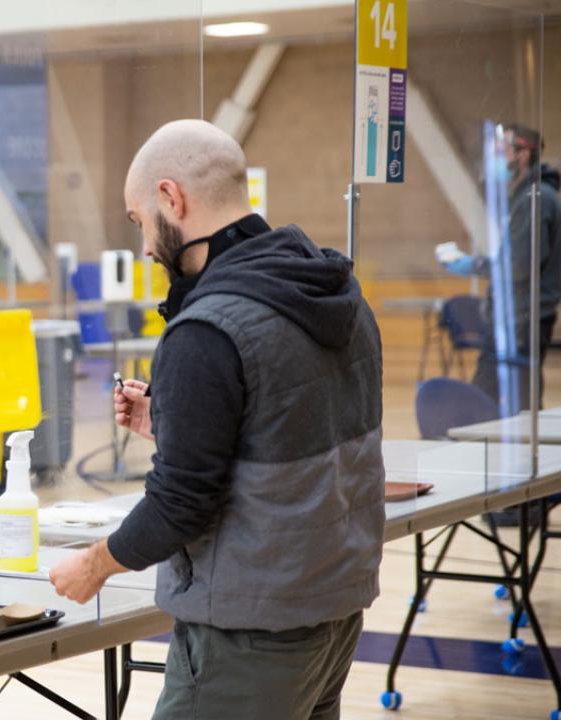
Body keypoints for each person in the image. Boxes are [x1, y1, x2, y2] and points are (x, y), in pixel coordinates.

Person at [48, 120, 385, 719]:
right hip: (334, 616)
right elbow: (291, 421)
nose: (146, 247)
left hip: (250, 634)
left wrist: (93, 565)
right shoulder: (337, 295)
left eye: (140, 221)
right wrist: (175, 422)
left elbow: (180, 503)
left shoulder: (208, 329)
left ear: (171, 198)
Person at [440, 125, 561, 414]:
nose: (495, 157)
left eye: (501, 149)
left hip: (521, 318)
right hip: (517, 316)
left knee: (493, 400)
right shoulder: (529, 196)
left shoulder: (536, 198)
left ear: (522, 154)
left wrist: (474, 265)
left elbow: (520, 265)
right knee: (516, 400)